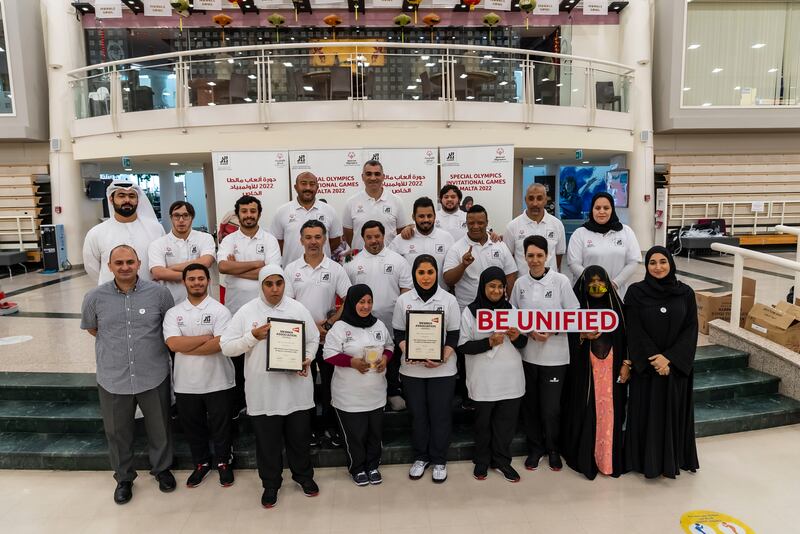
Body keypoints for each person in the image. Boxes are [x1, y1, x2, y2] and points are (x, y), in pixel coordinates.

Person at [80, 245, 176, 505]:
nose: (124, 267)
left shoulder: (159, 294)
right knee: (117, 431)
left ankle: (162, 469)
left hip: (152, 373)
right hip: (113, 376)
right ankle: (124, 478)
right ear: (109, 266)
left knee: (160, 427)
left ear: (138, 263)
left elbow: (169, 328)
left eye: (129, 262)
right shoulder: (94, 297)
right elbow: (92, 328)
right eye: (118, 262)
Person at [220, 265, 320, 508]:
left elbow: (313, 338)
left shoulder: (297, 309)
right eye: (269, 284)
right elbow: (226, 346)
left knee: (299, 439)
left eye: (279, 283)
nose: (275, 289)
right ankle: (271, 484)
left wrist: (306, 357)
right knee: (268, 443)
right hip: (263, 392)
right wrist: (252, 336)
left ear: (285, 284)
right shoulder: (246, 311)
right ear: (261, 285)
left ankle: (303, 477)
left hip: (295, 389)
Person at [624, 246, 700, 479]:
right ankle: (645, 461)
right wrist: (655, 359)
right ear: (646, 266)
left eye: (663, 262)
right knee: (647, 414)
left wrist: (670, 359)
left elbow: (691, 329)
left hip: (674, 369)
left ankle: (672, 460)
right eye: (652, 262)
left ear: (670, 264)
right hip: (647, 369)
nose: (658, 267)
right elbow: (634, 330)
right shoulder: (636, 292)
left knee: (672, 412)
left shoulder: (685, 292)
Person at [509, 236, 580, 472]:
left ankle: (553, 449)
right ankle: (535, 449)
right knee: (530, 406)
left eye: (539, 255)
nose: (535, 260)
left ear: (547, 255)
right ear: (524, 257)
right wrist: (529, 332)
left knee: (551, 408)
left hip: (556, 357)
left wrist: (552, 330)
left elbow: (574, 315)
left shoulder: (560, 281)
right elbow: (513, 317)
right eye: (530, 256)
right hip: (528, 357)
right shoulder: (520, 284)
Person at [162, 263, 235, 488]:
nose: (196, 282)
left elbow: (220, 344)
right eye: (191, 279)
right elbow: (173, 344)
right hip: (186, 384)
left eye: (201, 278)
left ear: (207, 281)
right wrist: (206, 337)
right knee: (193, 427)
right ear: (184, 282)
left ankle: (224, 462)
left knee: (221, 426)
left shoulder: (220, 310)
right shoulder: (174, 313)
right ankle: (201, 464)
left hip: (218, 380)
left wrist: (187, 345)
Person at [392, 255, 461, 483]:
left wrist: (442, 357)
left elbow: (453, 334)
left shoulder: (448, 300)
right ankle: (421, 457)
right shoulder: (404, 300)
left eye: (430, 272)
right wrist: (409, 351)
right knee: (418, 416)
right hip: (412, 371)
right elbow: (399, 333)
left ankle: (439, 459)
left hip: (442, 370)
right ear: (414, 274)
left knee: (440, 416)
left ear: (436, 274)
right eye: (421, 273)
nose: (426, 277)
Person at [284, 220, 351, 447]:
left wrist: (330, 323)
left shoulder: (335, 269)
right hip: (300, 339)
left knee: (331, 385)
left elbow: (348, 301)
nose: (313, 242)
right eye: (308, 237)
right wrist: (310, 327)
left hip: (328, 338)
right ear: (301, 240)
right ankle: (309, 430)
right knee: (304, 385)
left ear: (324, 239)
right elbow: (287, 306)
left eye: (317, 237)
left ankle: (330, 428)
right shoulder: (291, 270)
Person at [458, 267, 527, 482]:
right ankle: (482, 461)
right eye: (492, 286)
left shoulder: (512, 309)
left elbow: (524, 343)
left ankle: (502, 461)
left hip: (510, 378)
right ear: (483, 286)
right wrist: (488, 342)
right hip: (483, 378)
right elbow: (463, 346)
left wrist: (516, 337)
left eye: (500, 286)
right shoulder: (471, 311)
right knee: (483, 424)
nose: (497, 290)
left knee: (505, 425)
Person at [562, 265, 629, 480]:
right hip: (585, 373)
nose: (596, 285)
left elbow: (629, 338)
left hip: (612, 371)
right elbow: (566, 340)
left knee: (610, 415)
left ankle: (608, 460)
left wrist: (627, 364)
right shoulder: (576, 309)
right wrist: (581, 336)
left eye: (601, 281)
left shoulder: (617, 308)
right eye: (591, 281)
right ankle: (587, 457)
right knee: (587, 412)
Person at [323, 284, 394, 486]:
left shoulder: (378, 325)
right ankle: (357, 467)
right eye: (361, 302)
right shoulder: (340, 328)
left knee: (374, 434)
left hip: (376, 392)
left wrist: (386, 359)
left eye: (369, 301)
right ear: (353, 302)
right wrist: (351, 362)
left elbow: (389, 346)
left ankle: (373, 465)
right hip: (349, 396)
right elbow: (328, 354)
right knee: (355, 435)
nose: (366, 306)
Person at [218, 195, 282, 416]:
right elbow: (224, 267)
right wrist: (257, 264)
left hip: (265, 309)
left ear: (259, 214)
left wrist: (238, 267)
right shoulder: (229, 240)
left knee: (265, 358)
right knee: (237, 358)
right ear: (238, 214)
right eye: (244, 211)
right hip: (236, 309)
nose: (248, 215)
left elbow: (271, 274)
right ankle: (239, 404)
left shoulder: (270, 240)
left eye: (252, 211)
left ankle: (267, 403)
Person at [344, 220, 413, 411]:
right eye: (369, 237)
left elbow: (406, 293)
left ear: (384, 236)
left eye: (377, 236)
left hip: (392, 323)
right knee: (367, 361)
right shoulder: (352, 264)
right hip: (361, 327)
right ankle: (373, 397)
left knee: (391, 360)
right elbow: (347, 297)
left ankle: (393, 392)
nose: (374, 240)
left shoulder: (398, 260)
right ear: (363, 238)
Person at [83, 180, 164, 285]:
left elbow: (163, 260)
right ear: (111, 199)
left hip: (149, 293)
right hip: (112, 295)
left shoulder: (155, 228)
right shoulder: (96, 232)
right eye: (121, 196)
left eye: (131, 196)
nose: (127, 200)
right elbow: (92, 267)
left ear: (138, 200)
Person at [567, 193, 641, 299]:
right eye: (597, 208)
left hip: (616, 292)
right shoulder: (580, 233)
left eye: (606, 208)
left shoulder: (626, 231)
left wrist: (614, 284)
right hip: (586, 292)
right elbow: (574, 263)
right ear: (592, 210)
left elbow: (633, 261)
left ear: (612, 210)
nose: (602, 211)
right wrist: (595, 284)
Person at [443, 205, 518, 311]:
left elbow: (510, 274)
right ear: (466, 224)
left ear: (487, 223)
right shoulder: (456, 248)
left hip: (497, 309)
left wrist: (509, 302)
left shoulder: (499, 244)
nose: (476, 226)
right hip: (467, 309)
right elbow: (448, 280)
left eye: (480, 223)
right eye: (471, 223)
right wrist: (463, 265)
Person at [149, 201, 216, 304]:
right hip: (171, 303)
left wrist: (170, 268)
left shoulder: (205, 238)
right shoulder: (158, 244)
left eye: (185, 215)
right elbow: (158, 273)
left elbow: (206, 262)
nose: (181, 220)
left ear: (192, 217)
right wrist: (193, 277)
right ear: (171, 217)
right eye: (176, 216)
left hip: (203, 303)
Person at [271, 172, 343, 267]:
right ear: (296, 187)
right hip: (292, 272)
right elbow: (277, 243)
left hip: (323, 271)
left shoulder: (329, 210)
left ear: (317, 187)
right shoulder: (282, 211)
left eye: (312, 184)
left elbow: (335, 241)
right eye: (303, 183)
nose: (308, 188)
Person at [342, 160, 412, 251]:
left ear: (383, 177)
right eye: (369, 174)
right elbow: (348, 235)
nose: (373, 178)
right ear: (362, 177)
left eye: (377, 174)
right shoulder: (351, 202)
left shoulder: (396, 201)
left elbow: (400, 232)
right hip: (360, 259)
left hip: (389, 259)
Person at [391, 197, 454, 287]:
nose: (426, 220)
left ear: (435, 216)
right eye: (421, 216)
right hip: (409, 297)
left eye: (429, 216)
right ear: (413, 217)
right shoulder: (401, 239)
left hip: (441, 297)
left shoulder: (447, 238)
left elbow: (453, 267)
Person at [504, 183, 566, 275]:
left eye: (540, 198)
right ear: (525, 200)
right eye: (531, 198)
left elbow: (558, 256)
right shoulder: (512, 226)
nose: (535, 203)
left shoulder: (557, 224)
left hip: (550, 284)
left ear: (546, 200)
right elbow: (509, 259)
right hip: (523, 285)